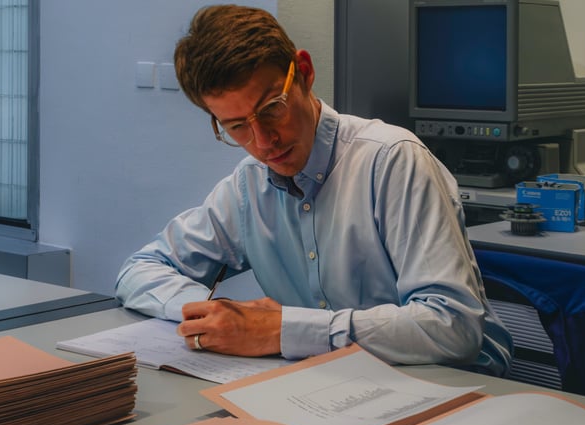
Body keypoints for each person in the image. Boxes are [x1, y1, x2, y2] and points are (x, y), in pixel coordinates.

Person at [115, 4, 513, 376]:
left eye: (272, 108)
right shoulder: (247, 185)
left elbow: (453, 327)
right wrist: (215, 315)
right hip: (326, 383)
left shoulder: (393, 160)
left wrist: (281, 330)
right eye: (237, 127)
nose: (263, 141)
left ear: (303, 72)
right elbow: (140, 270)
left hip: (448, 383)